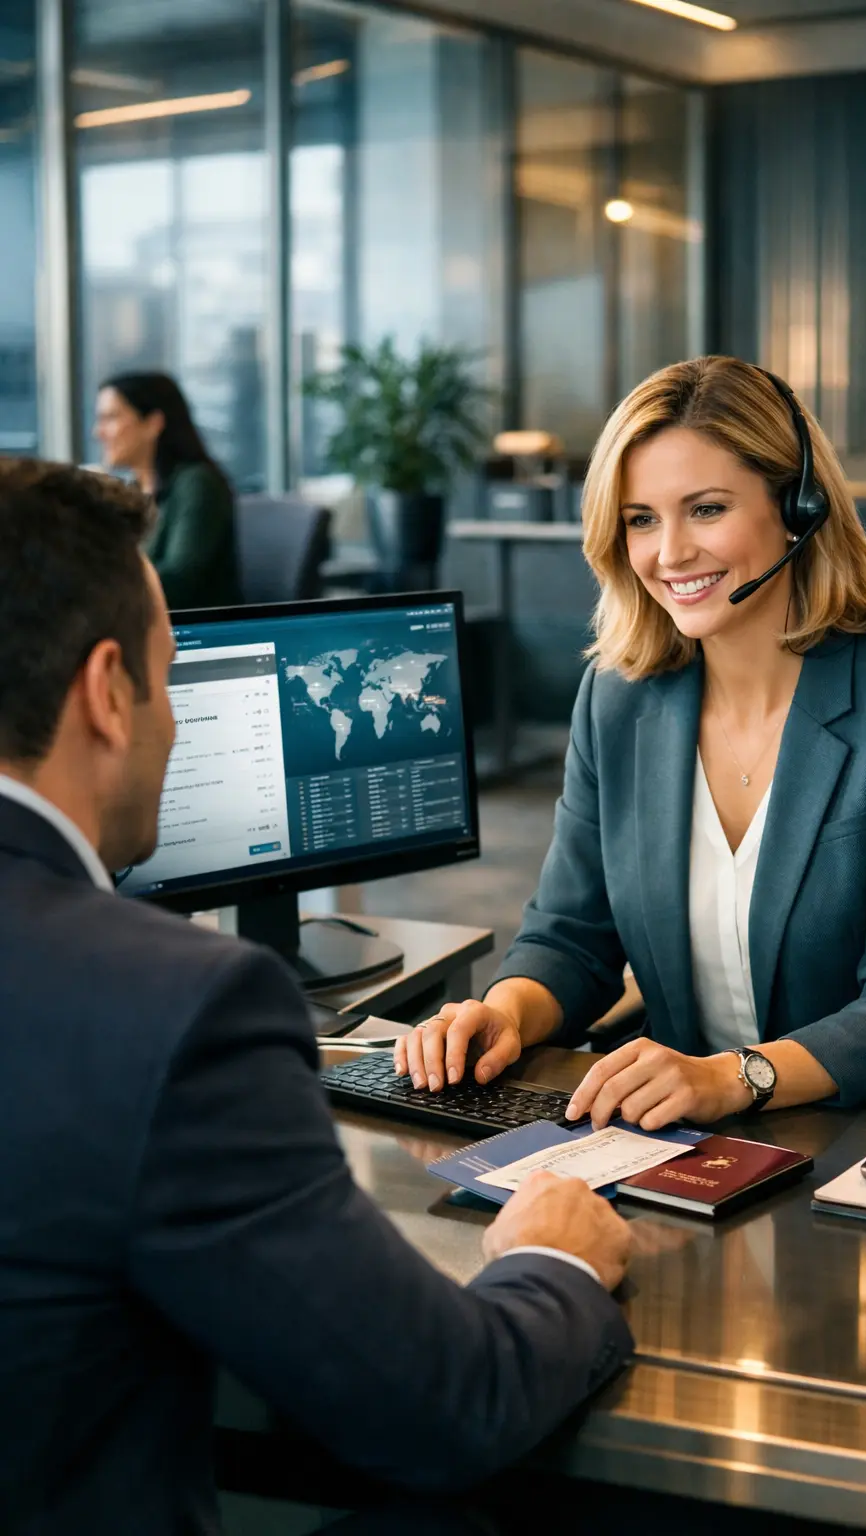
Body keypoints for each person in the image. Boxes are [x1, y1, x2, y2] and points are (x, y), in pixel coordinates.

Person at [0, 459, 633, 1535]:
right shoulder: (175, 1008)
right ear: (109, 692)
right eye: (166, 677)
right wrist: (553, 1255)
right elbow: (445, 1407)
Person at [399, 355, 866, 1128]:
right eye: (641, 519)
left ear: (800, 507)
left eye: (707, 509)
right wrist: (508, 1011)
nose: (670, 553)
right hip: (701, 1132)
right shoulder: (616, 702)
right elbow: (573, 937)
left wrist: (735, 1077)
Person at [94, 370, 242, 608]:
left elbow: (178, 581)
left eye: (111, 418)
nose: (98, 433)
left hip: (193, 632)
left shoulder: (197, 484)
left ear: (153, 423)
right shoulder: (133, 492)